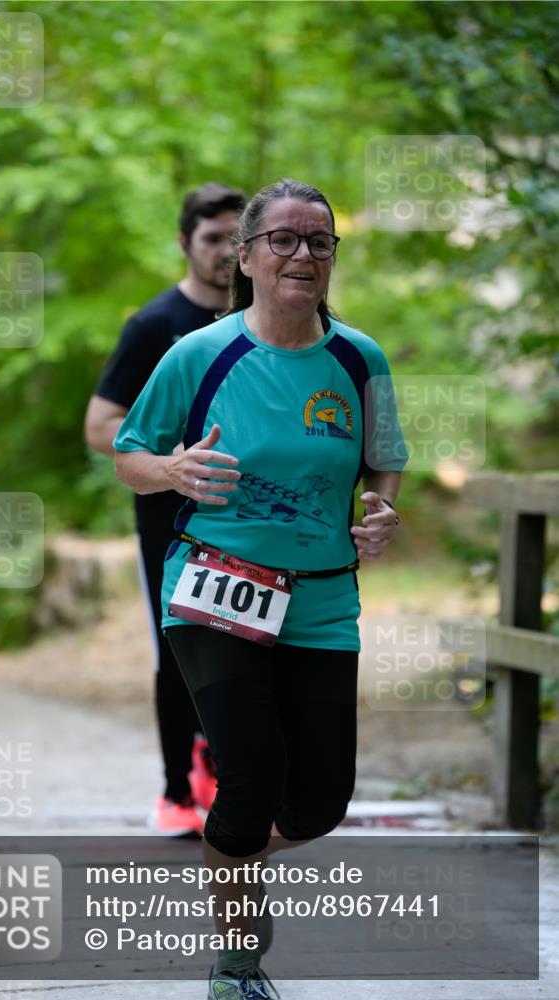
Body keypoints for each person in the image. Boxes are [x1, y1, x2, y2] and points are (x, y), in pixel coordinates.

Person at [114, 179, 407, 1000]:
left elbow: (384, 455)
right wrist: (171, 468)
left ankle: (225, 855)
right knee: (249, 775)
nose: (301, 254)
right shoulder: (198, 354)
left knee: (317, 802)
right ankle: (236, 962)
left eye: (318, 240)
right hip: (214, 588)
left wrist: (379, 506)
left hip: (320, 597)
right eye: (281, 238)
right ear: (243, 256)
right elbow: (128, 456)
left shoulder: (358, 357)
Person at [85, 183, 248, 837]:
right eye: (211, 239)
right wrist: (173, 460)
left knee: (246, 647)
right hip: (170, 524)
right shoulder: (155, 324)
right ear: (184, 243)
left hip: (252, 521)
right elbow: (102, 426)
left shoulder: (271, 319)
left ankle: (228, 764)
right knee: (179, 654)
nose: (224, 253)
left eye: (237, 238)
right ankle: (176, 791)